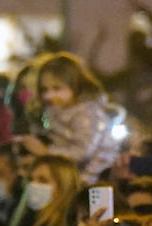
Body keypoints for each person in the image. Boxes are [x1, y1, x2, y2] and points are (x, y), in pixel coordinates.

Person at [20, 52, 123, 182]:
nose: (49, 95)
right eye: (44, 89)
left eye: (57, 88)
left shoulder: (86, 113)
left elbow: (83, 152)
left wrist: (46, 152)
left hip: (92, 178)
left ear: (75, 86)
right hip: (71, 175)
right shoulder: (54, 112)